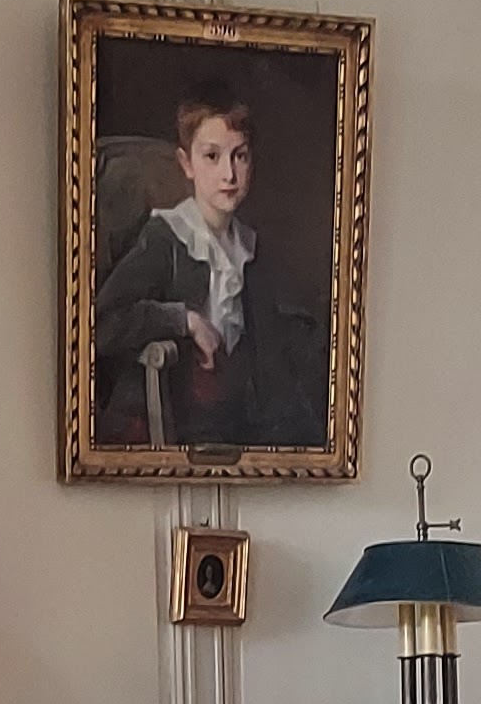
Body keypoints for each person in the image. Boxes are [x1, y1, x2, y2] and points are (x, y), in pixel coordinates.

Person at [91, 89, 320, 450]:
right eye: (212, 156)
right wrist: (184, 320)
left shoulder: (249, 249)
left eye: (239, 156)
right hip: (168, 424)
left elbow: (270, 362)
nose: (229, 174)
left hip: (237, 426)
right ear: (186, 164)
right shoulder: (166, 237)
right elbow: (102, 323)